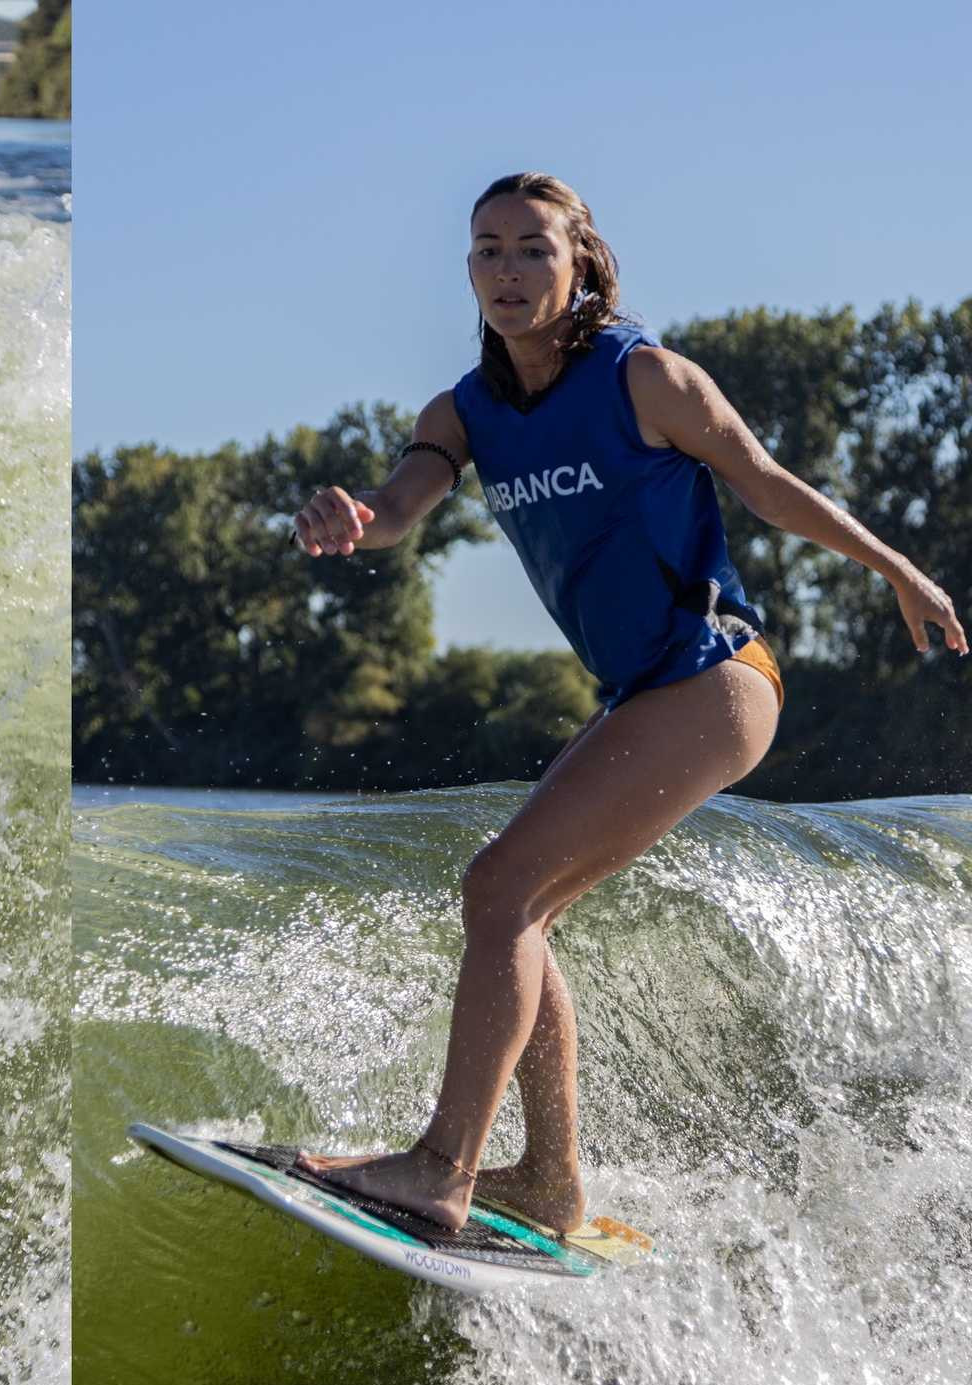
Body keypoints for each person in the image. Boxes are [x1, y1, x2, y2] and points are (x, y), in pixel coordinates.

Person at [288, 171, 963, 1233]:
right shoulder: (460, 413)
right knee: (522, 909)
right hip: (646, 694)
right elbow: (404, 507)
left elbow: (767, 482)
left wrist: (895, 569)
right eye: (486, 250)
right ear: (467, 271)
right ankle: (549, 1180)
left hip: (717, 676)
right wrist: (355, 517)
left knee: (499, 885)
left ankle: (440, 1164)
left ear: (580, 262)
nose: (507, 272)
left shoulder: (643, 376)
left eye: (532, 249)